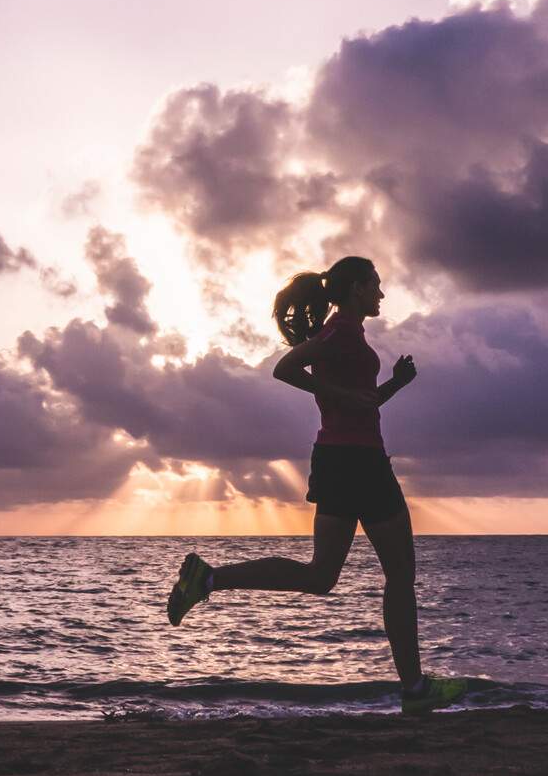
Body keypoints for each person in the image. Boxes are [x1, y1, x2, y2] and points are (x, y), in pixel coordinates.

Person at [164, 256, 466, 715]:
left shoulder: (346, 334)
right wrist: (341, 394)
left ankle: (207, 578)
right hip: (359, 462)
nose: (381, 295)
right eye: (375, 286)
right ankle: (415, 690)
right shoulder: (340, 330)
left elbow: (360, 404)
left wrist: (394, 386)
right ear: (355, 289)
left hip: (340, 459)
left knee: (321, 575)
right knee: (400, 574)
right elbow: (285, 369)